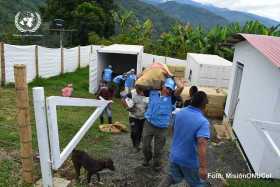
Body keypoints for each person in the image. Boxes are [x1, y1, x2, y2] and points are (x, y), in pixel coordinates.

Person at [158, 91, 210, 187]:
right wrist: (203, 167)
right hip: (190, 162)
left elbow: (171, 130)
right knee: (199, 184)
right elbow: (201, 144)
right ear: (204, 104)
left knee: (172, 177)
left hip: (175, 156)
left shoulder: (180, 113)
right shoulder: (203, 122)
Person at [142, 77, 184, 171]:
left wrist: (174, 77)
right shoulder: (152, 92)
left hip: (162, 127)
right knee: (145, 146)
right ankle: (147, 158)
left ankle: (157, 163)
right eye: (167, 87)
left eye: (170, 89)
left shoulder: (172, 98)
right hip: (149, 123)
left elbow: (181, 88)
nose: (168, 90)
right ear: (162, 86)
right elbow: (140, 84)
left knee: (158, 149)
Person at [122, 88, 149, 153]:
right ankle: (135, 146)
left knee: (140, 132)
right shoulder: (132, 93)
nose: (142, 94)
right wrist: (127, 108)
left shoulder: (148, 92)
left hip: (143, 117)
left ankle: (138, 145)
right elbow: (123, 100)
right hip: (133, 116)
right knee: (134, 132)